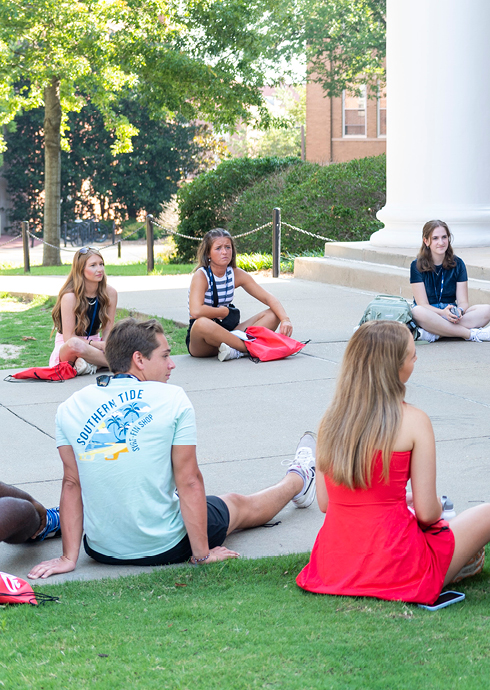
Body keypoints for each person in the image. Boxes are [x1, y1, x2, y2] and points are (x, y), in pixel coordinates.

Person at [27, 318, 317, 578]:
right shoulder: (172, 398)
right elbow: (189, 480)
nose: (172, 363)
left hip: (102, 550)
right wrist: (203, 554)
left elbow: (71, 483)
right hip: (165, 546)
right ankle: (299, 479)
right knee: (237, 504)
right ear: (138, 359)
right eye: (165, 356)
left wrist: (68, 557)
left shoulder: (69, 407)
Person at [297, 321, 490, 602]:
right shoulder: (415, 421)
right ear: (394, 368)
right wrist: (419, 506)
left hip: (333, 564)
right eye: (411, 354)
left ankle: (454, 566)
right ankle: (451, 569)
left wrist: (397, 500)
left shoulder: (329, 423)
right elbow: (429, 514)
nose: (416, 359)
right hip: (396, 563)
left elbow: (325, 503)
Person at [186, 228, 294, 362]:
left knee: (273, 314)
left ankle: (235, 350)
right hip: (204, 340)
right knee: (201, 323)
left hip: (230, 332)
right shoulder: (201, 275)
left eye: (228, 247)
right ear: (208, 253)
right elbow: (196, 311)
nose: (224, 252)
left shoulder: (235, 274)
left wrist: (285, 319)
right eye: (218, 248)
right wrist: (223, 312)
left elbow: (267, 297)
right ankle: (248, 349)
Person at [408, 220, 490, 343]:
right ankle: (471, 334)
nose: (441, 242)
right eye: (435, 238)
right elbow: (422, 304)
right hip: (429, 313)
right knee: (417, 311)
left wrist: (459, 311)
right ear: (426, 241)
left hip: (452, 314)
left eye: (444, 237)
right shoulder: (416, 265)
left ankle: (435, 333)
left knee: (487, 310)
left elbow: (463, 302)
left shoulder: (458, 264)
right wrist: (442, 313)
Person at [49, 247, 118, 376]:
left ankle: (89, 364)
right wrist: (97, 345)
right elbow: (68, 337)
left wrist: (106, 346)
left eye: (101, 264)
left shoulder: (110, 293)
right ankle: (114, 363)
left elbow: (108, 329)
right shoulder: (70, 297)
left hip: (97, 346)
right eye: (93, 265)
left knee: (126, 341)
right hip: (70, 347)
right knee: (75, 344)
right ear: (81, 269)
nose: (99, 269)